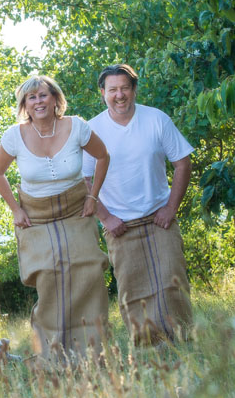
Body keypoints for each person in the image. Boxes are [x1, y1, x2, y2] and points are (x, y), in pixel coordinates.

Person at [0, 75, 111, 367]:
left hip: (75, 210)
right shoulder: (14, 135)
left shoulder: (77, 126)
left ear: (55, 99)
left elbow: (103, 156)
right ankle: (51, 355)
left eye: (43, 95)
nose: (38, 101)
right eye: (31, 98)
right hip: (37, 216)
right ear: (24, 106)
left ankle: (91, 354)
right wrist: (16, 210)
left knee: (89, 272)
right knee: (48, 276)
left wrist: (93, 197)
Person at [82, 64, 194, 344]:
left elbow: (182, 162)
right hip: (120, 227)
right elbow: (83, 179)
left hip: (160, 220)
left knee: (173, 285)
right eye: (112, 90)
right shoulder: (92, 129)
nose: (119, 95)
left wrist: (171, 208)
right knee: (134, 293)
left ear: (133, 90)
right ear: (103, 93)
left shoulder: (156, 119)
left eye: (124, 88)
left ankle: (183, 345)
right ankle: (149, 352)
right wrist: (105, 218)